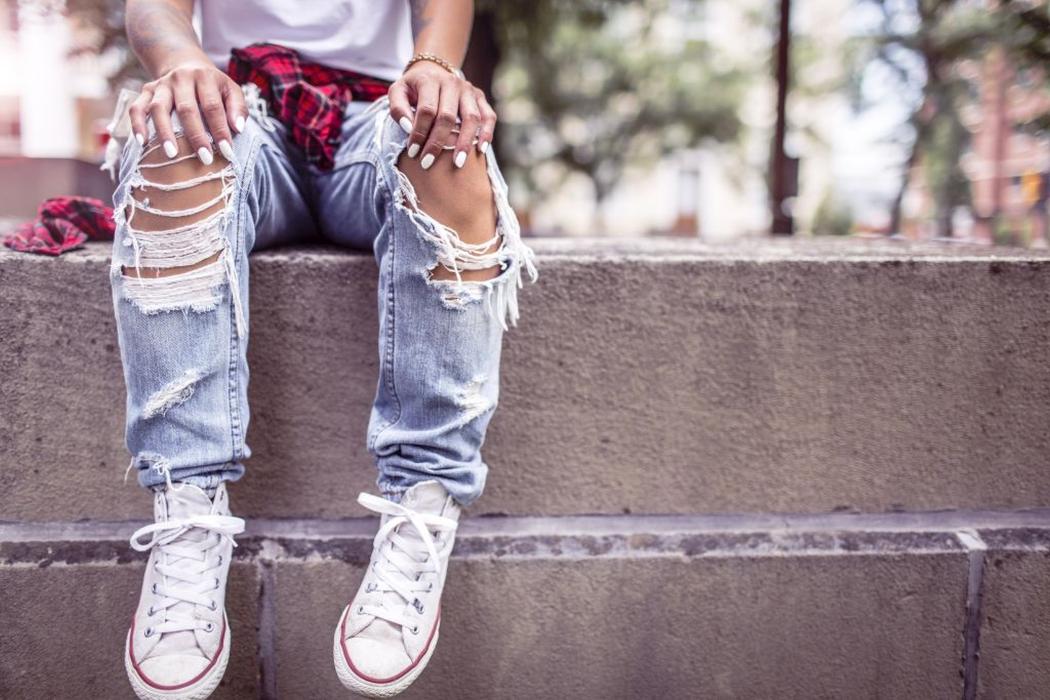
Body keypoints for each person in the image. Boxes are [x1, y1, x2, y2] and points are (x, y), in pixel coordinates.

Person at [111, 1, 536, 698]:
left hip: (374, 116)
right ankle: (187, 519)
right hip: (241, 110)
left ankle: (424, 508)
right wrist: (183, 64)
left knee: (452, 145)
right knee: (173, 139)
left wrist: (434, 67)